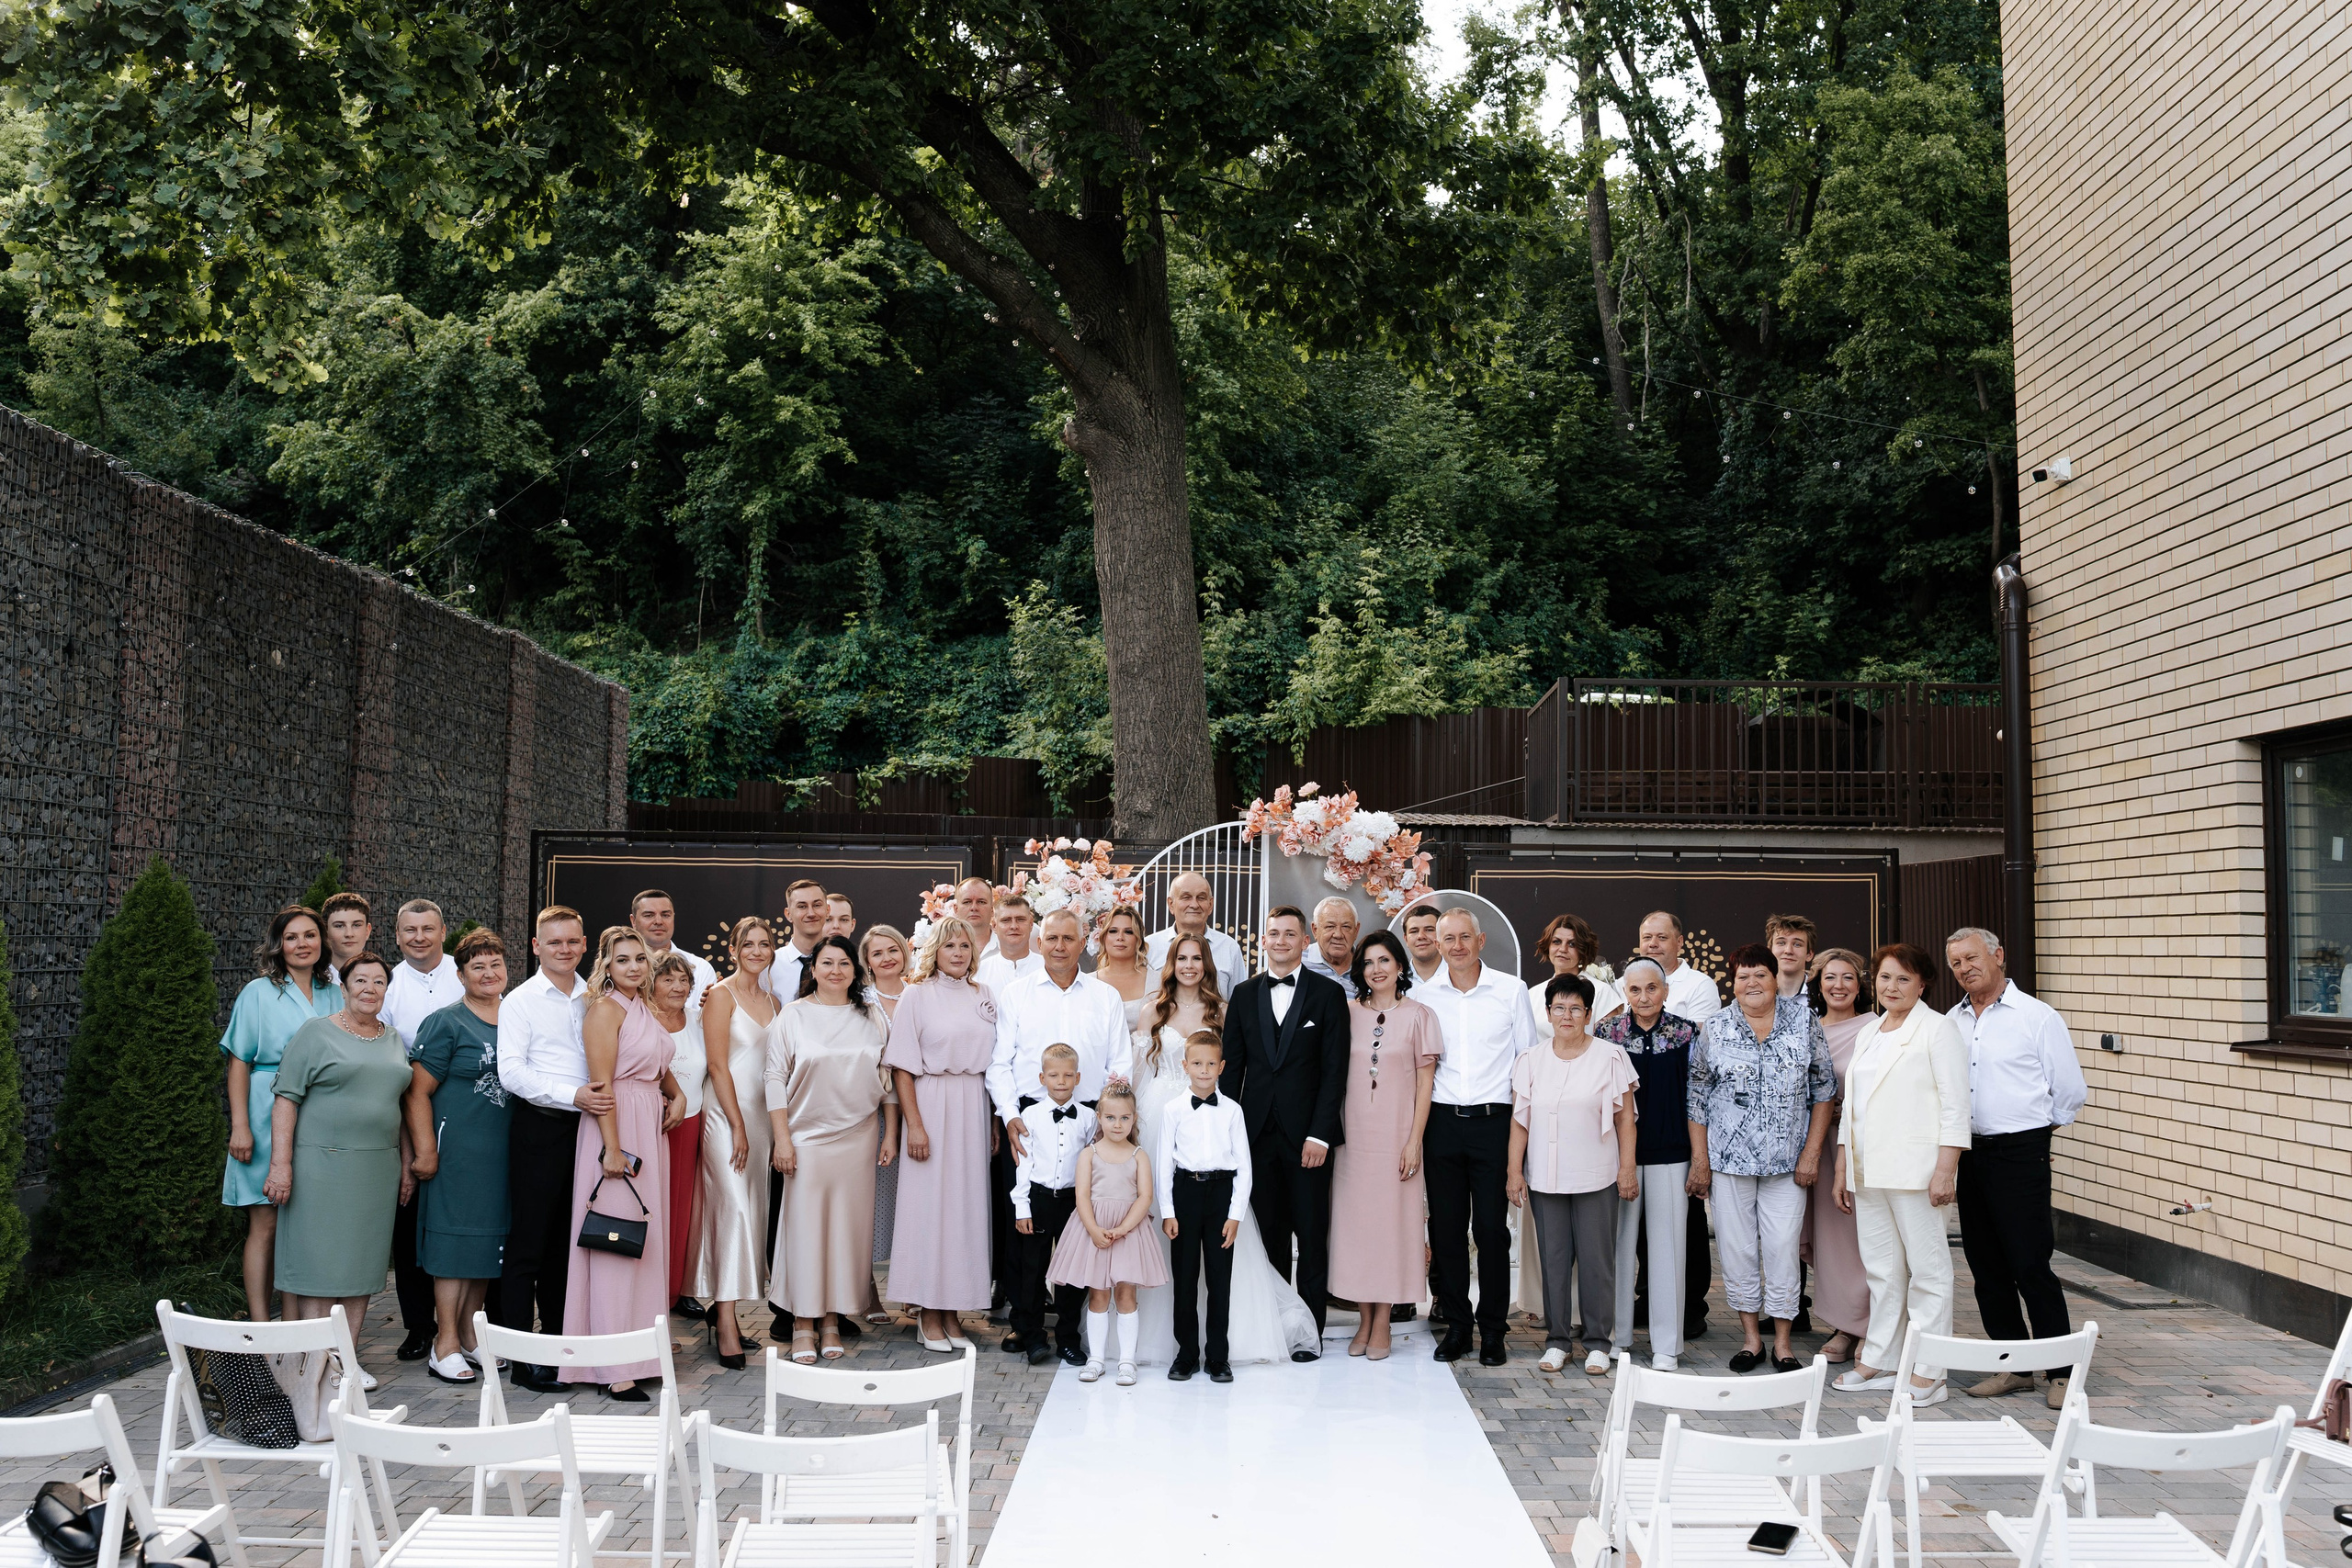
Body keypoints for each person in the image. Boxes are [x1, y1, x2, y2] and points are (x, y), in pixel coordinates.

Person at [1131, 954, 1318, 1367]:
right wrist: (1130, 1124)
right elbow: (1140, 1074)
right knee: (1168, 1232)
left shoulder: (1224, 1010)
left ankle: (1221, 1347)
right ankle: (1172, 1343)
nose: (1189, 966)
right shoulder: (1152, 1010)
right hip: (1160, 1116)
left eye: (1197, 959)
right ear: (1170, 964)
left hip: (1215, 1129)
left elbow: (1238, 1069)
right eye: (1181, 958)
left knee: (1220, 1258)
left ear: (1208, 965)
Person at [1945, 927, 2086, 1408]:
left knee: (2030, 1262)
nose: (1964, 968)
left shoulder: (2037, 1017)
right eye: (1956, 963)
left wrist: (2034, 1135)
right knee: (1985, 1266)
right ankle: (2014, 1367)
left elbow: (2067, 1091)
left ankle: (2060, 1371)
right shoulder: (1953, 1021)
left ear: (1998, 955)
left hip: (2021, 1152)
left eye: (1971, 958)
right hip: (1970, 1154)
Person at [263, 951, 411, 1392]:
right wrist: (281, 1165)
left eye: (379, 982)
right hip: (320, 1165)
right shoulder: (316, 1033)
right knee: (319, 1265)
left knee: (361, 1268)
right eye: (360, 981)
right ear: (343, 988)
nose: (370, 989)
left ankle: (346, 1361)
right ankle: (319, 1365)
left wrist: (405, 1164)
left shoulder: (394, 1038)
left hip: (376, 1168)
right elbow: (286, 1098)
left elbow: (399, 1106)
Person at [1690, 943, 1836, 1372]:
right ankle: (1751, 1340)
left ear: (1776, 979)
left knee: (1782, 1249)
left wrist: (1811, 1153)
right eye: (1742, 977)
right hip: (1728, 1163)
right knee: (1736, 1251)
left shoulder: (1803, 1021)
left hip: (1789, 1164)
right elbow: (1696, 1097)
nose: (1751, 983)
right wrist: (1701, 1161)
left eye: (1760, 975)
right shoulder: (1715, 1027)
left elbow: (1823, 1090)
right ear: (1731, 985)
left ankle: (1784, 1343)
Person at [1833, 943, 1970, 1401]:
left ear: (1923, 984)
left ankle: (1931, 1372)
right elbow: (1852, 1105)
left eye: (1903, 979)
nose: (1892, 987)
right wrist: (1842, 1167)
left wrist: (1946, 1169)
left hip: (1917, 1172)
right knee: (1882, 1270)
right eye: (1886, 978)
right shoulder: (1872, 1030)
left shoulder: (1939, 1029)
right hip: (1868, 1170)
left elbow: (1956, 1106)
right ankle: (1882, 1358)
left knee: (1928, 1271)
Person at [1219, 905, 1351, 1358]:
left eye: (1289, 934)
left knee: (1312, 1238)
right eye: (1273, 933)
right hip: (1256, 1138)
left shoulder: (1328, 995)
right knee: (1269, 1237)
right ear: (1264, 940)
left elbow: (1335, 1072)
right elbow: (1231, 1071)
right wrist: (1230, 1138)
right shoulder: (1243, 994)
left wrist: (1320, 1134)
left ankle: (1309, 1335)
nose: (1279, 941)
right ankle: (1276, 1329)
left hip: (1308, 1139)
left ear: (1303, 941)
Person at [560, 928, 682, 1398]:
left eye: (639, 960)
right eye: (622, 960)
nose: (633, 967)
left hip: (649, 1127)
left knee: (642, 1241)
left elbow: (658, 1062)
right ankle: (611, 1366)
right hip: (616, 1131)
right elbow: (601, 1086)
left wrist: (676, 1092)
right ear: (606, 966)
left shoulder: (643, 1008)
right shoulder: (604, 1010)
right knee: (613, 1240)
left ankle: (640, 1351)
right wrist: (610, 1150)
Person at [768, 935, 899, 1363]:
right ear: (813, 969)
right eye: (827, 963)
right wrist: (782, 1139)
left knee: (846, 1232)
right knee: (804, 1232)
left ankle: (831, 1320)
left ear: (854, 971)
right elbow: (773, 1078)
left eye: (844, 963)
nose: (836, 971)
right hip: (805, 1139)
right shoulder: (793, 1015)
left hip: (858, 1137)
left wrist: (891, 1134)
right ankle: (803, 1323)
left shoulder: (873, 1017)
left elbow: (889, 1082)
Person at [1419, 907, 1539, 1366]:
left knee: (1491, 1232)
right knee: (1446, 1232)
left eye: (1465, 937)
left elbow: (1525, 1070)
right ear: (1437, 943)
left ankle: (1493, 1331)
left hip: (1494, 1124)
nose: (1457, 947)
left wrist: (1517, 1151)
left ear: (1481, 940)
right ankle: (1457, 1327)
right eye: (1448, 939)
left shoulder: (1511, 991)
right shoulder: (1426, 996)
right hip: (1443, 1125)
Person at [1509, 975, 1640, 1374]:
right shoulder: (1530, 1060)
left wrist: (1627, 1168)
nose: (1567, 1015)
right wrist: (1514, 1171)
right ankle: (1557, 1341)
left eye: (1576, 1008)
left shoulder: (1611, 1056)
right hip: (1546, 1177)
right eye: (1559, 1008)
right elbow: (1520, 1123)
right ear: (1548, 1013)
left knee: (1598, 1260)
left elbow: (1626, 1120)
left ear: (1589, 1014)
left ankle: (1599, 1342)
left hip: (1597, 1175)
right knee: (1553, 1259)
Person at [495, 906, 601, 1393]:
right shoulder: (519, 1000)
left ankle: (560, 1352)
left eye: (572, 941)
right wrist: (571, 1095)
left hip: (591, 1132)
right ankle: (521, 1358)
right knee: (528, 1247)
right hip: (542, 1127)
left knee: (568, 1247)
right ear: (536, 947)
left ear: (584, 944)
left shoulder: (595, 996)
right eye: (554, 942)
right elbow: (511, 1073)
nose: (565, 949)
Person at [221, 904, 342, 1325]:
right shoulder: (258, 992)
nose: (302, 944)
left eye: (310, 935)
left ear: (321, 942)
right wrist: (239, 1126)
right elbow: (239, 1061)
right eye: (292, 937)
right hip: (264, 1108)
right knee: (267, 1224)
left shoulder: (335, 990)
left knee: (305, 1228)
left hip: (322, 1113)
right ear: (278, 945)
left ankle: (296, 1323)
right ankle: (260, 1326)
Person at [404, 928, 512, 1384]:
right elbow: (416, 1091)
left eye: (495, 965)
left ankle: (470, 1336)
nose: (488, 974)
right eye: (477, 966)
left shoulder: (517, 1016)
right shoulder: (446, 1021)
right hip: (456, 1155)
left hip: (504, 1153)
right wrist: (426, 1151)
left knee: (488, 1245)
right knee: (453, 1245)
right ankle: (442, 1342)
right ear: (460, 973)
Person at [1328, 931, 1441, 1359]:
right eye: (1369, 963)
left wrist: (1414, 1141)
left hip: (1397, 1137)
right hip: (1352, 1140)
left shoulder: (1419, 1015)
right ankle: (1362, 1318)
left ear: (1399, 967)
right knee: (1358, 1231)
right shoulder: (1347, 1012)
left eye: (1385, 961)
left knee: (1393, 1229)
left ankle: (1383, 1322)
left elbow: (1425, 1085)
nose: (1376, 970)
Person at [885, 916, 995, 1351]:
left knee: (964, 1210)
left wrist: (993, 1123)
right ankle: (928, 1314)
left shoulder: (984, 996)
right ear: (936, 950)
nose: (958, 953)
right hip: (930, 1102)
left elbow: (996, 1063)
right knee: (930, 1209)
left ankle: (952, 1312)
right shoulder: (917, 994)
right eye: (949, 946)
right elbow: (902, 1067)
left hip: (974, 1103)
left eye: (964, 946)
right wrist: (915, 1124)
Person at [1596, 959, 1702, 1370]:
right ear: (1625, 992)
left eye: (1652, 988)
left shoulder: (1688, 1034)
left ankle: (1667, 1346)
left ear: (1666, 990)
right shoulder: (1608, 1034)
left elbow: (1698, 1098)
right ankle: (1617, 1338)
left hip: (1672, 1154)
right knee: (1618, 1247)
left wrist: (1699, 1158)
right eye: (1636, 989)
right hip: (1619, 1155)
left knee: (1668, 1249)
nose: (1644, 997)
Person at [692, 917, 781, 1368]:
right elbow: (718, 1065)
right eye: (748, 944)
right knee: (732, 1211)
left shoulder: (775, 1000)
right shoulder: (720, 997)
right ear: (733, 948)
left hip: (763, 1120)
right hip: (726, 1116)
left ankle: (724, 1310)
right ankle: (725, 1321)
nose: (757, 951)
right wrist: (737, 1125)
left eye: (765, 944)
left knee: (752, 1214)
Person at [379, 898, 458, 1362]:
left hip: (463, 1108)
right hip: (408, 1109)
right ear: (397, 935)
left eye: (428, 928)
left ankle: (466, 1324)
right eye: (410, 930)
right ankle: (416, 1326)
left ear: (442, 931)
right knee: (409, 1221)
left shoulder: (463, 972)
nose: (419, 938)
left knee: (455, 1218)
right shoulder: (387, 984)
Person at [1047, 1078, 1165, 1385]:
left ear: (1134, 1119)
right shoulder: (1089, 1154)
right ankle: (1097, 1359)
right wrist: (1094, 1229)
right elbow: (1082, 1196)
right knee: (1098, 1293)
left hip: (1128, 1230)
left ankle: (1127, 1361)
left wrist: (1124, 1228)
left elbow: (1145, 1197)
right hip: (1094, 1230)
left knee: (1126, 1293)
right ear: (1099, 1117)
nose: (1117, 1124)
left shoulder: (1139, 1155)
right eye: (1110, 1117)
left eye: (1124, 1118)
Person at [1640, 908, 1720, 1341]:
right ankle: (1649, 1299)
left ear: (1679, 942)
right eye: (1647, 937)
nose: (1653, 944)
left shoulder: (1699, 986)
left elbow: (1698, 1049)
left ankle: (1691, 1307)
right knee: (1642, 1226)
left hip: (1681, 1114)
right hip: (1639, 1118)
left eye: (1661, 937)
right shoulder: (1627, 982)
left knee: (1685, 1219)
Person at [1158, 1031, 1250, 1383]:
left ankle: (1218, 1357)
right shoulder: (1173, 1110)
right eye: (1197, 1063)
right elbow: (1164, 1162)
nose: (1204, 1070)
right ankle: (1185, 1355)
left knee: (1219, 1280)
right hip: (1185, 1193)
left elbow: (1244, 1166)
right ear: (1185, 1065)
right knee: (1184, 1278)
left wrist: (1235, 1214)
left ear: (1222, 1067)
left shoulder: (1233, 1111)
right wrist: (1168, 1210)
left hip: (1221, 1195)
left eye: (1211, 1064)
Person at [1804, 948, 1873, 1363]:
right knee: (1832, 1241)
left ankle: (1871, 1327)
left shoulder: (1875, 1028)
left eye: (1848, 978)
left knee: (1863, 1237)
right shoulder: (1805, 1029)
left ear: (1860, 985)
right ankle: (1844, 1325)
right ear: (1818, 984)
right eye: (1830, 978)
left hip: (1861, 1145)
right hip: (1818, 1146)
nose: (1839, 986)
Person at [1011, 1044, 1095, 1367]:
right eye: (1054, 1075)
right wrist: (1022, 1207)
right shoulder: (1030, 1116)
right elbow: (1023, 1164)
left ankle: (1068, 1340)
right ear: (1042, 1077)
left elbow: (1091, 1164)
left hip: (1074, 1203)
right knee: (1032, 1272)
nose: (1061, 1081)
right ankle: (1033, 1338)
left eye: (1068, 1075)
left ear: (1077, 1077)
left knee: (1072, 1275)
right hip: (1038, 1199)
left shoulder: (1088, 1118)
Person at [648, 953, 707, 1323]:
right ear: (651, 983)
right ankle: (652, 1295)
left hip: (691, 1124)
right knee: (654, 1210)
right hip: (652, 1125)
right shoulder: (640, 1019)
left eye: (683, 980)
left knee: (683, 1209)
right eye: (668, 979)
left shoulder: (700, 1021)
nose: (678, 987)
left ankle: (676, 1291)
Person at [859, 924, 914, 1314]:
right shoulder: (860, 1001)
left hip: (918, 1109)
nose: (886, 958)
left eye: (892, 949)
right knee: (872, 1202)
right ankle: (868, 1290)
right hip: (871, 1113)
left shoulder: (921, 993)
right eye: (877, 953)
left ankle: (912, 1288)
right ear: (867, 962)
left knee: (913, 1201)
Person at [1145, 872, 1249, 997]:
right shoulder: (1149, 947)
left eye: (1201, 898)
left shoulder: (1229, 948)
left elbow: (1240, 1003)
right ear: (1171, 904)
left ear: (1210, 905)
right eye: (1186, 897)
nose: (1194, 905)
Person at [1532, 914, 1624, 1032]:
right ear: (1547, 946)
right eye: (1556, 942)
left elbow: (1610, 1043)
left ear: (1583, 950)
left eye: (1572, 944)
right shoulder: (1533, 995)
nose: (1563, 949)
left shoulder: (1602, 992)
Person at [632, 889, 717, 1008]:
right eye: (649, 915)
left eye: (665, 915)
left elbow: (704, 1021)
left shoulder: (700, 968)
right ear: (633, 921)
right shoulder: (625, 969)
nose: (658, 921)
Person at [1093, 908, 1153, 1034]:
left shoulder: (1158, 981)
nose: (1120, 937)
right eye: (1113, 931)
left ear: (1138, 939)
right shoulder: (1087, 982)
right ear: (1104, 937)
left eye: (1129, 932)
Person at [976, 894, 1041, 994]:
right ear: (994, 925)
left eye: (1020, 919)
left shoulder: (1048, 968)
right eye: (1006, 920)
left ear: (1031, 924)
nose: (1014, 926)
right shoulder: (979, 972)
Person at [1304, 897, 1361, 997]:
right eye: (1330, 926)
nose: (1338, 935)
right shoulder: (1297, 962)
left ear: (1356, 931)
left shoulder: (1369, 965)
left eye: (1346, 927)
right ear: (1315, 930)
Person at [321, 891, 374, 986]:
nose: (349, 934)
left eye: (356, 925)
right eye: (339, 926)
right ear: (326, 931)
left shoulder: (386, 982)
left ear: (367, 931)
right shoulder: (312, 981)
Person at [1767, 914, 1818, 1000]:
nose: (1788, 951)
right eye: (1781, 943)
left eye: (1797, 944)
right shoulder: (1758, 995)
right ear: (1769, 951)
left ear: (1809, 954)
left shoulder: (1822, 997)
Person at [1399, 902, 1445, 987]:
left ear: (1441, 934)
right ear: (1406, 939)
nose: (1421, 936)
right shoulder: (1395, 981)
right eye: (1414, 931)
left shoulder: (1458, 976)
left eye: (1429, 930)